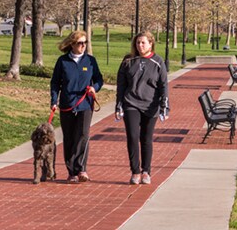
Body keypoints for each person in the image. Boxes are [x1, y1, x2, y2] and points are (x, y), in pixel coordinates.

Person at [115, 31, 169, 185]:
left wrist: (164, 106)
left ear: (151, 43)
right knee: (132, 136)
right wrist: (119, 104)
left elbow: (163, 85)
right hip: (131, 103)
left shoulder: (158, 62)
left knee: (146, 138)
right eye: (138, 43)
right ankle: (135, 171)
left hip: (150, 105)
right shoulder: (128, 61)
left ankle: (146, 171)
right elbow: (121, 84)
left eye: (143, 43)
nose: (140, 46)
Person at [50, 30, 104, 183]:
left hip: (85, 104)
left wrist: (95, 88)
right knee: (69, 138)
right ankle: (71, 171)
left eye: (85, 43)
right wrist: (54, 101)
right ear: (72, 44)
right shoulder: (63, 61)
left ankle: (81, 169)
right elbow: (55, 83)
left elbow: (99, 79)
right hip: (67, 104)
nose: (83, 46)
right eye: (80, 43)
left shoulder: (90, 61)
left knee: (83, 135)